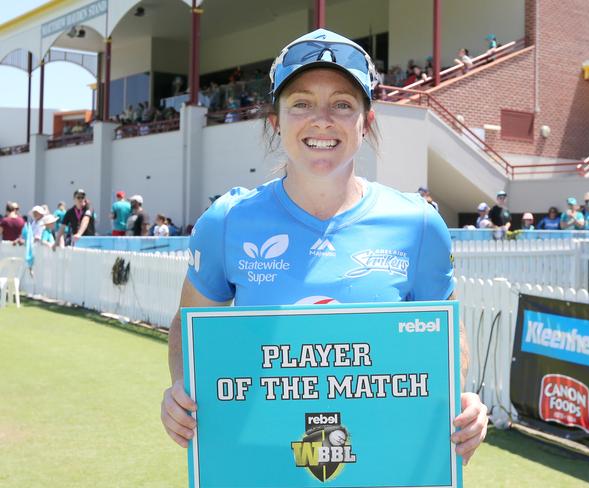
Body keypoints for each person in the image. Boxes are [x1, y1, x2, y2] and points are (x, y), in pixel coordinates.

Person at [161, 28, 487, 465]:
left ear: (366, 122)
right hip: (261, 460)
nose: (322, 119)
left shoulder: (419, 224)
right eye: (301, 103)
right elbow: (190, 325)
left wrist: (458, 399)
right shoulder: (227, 221)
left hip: (381, 462)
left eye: (342, 104)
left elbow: (447, 332)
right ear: (275, 121)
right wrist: (182, 388)